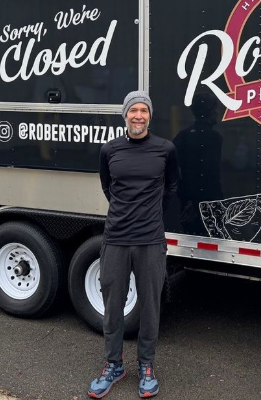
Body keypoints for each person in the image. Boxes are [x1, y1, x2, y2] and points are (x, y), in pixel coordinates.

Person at [89, 90, 179, 399]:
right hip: (115, 238)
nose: (138, 115)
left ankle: (146, 366)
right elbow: (107, 187)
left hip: (150, 240)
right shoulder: (109, 150)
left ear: (150, 116)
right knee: (112, 307)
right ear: (125, 115)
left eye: (143, 110)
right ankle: (114, 365)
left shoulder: (165, 149)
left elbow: (172, 187)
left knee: (150, 307)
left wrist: (151, 215)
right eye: (133, 110)